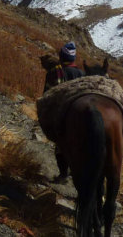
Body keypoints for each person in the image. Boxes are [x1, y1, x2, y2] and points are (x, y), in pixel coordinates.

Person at [46, 41, 85, 181]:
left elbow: (47, 95)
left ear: (61, 56)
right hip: (83, 117)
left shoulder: (55, 72)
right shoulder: (82, 74)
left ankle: (63, 174)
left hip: (63, 115)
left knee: (61, 145)